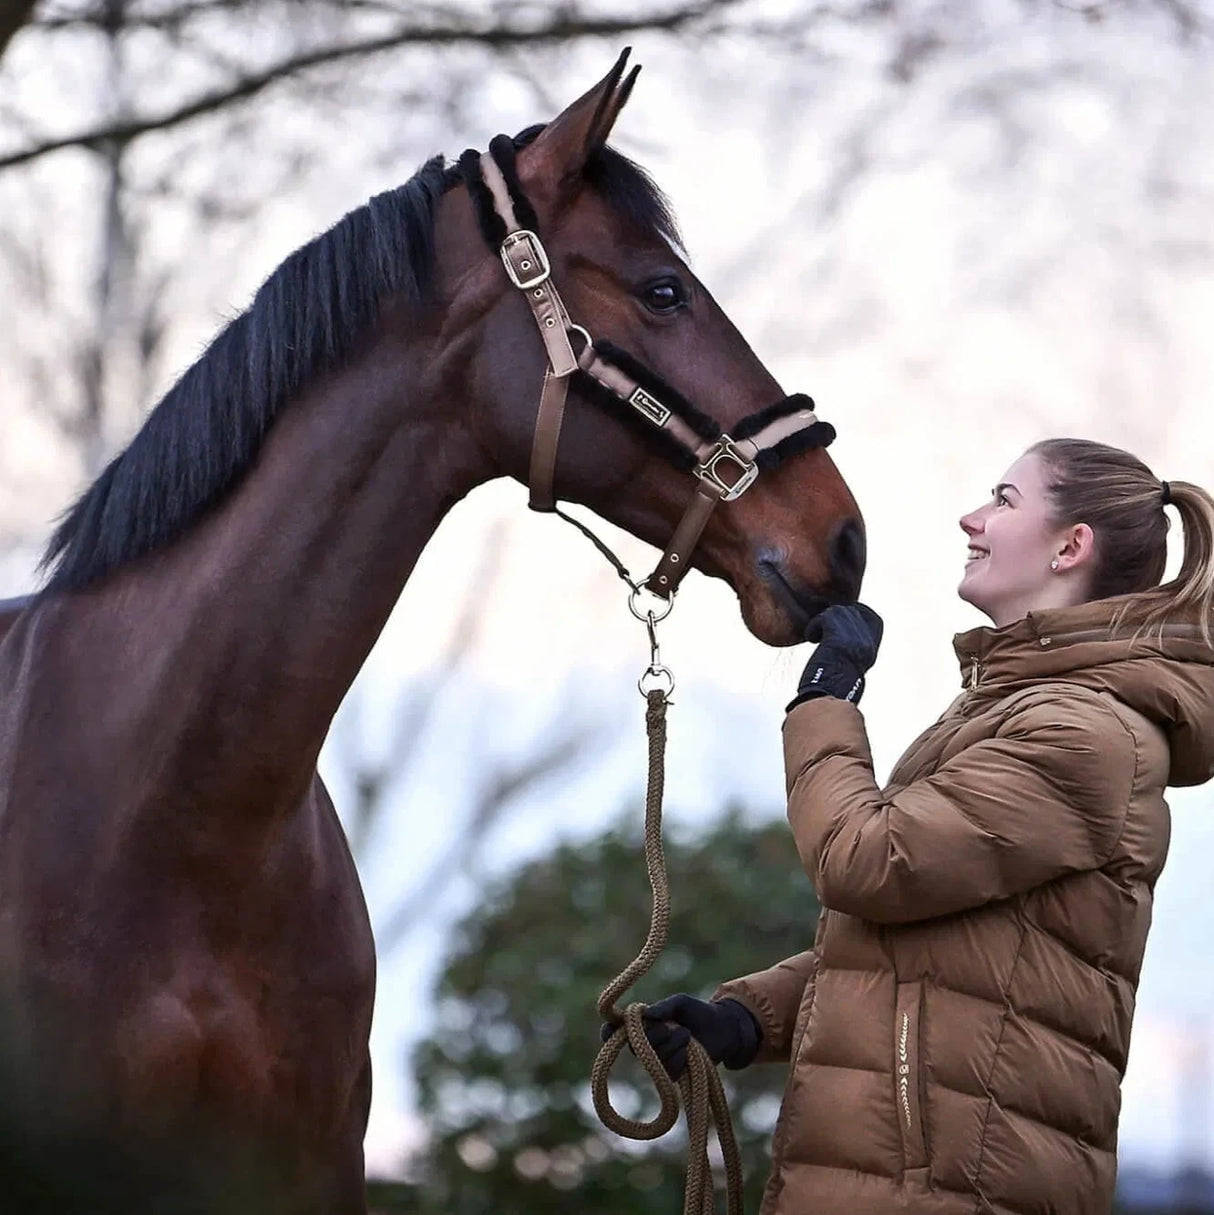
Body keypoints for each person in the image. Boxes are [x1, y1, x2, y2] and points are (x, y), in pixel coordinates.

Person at [632, 438, 1214, 1215]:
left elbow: (870, 861)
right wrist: (742, 1020)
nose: (971, 518)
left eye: (1005, 500)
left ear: (1072, 546)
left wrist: (824, 700)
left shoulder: (1083, 734)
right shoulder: (1011, 714)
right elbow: (925, 958)